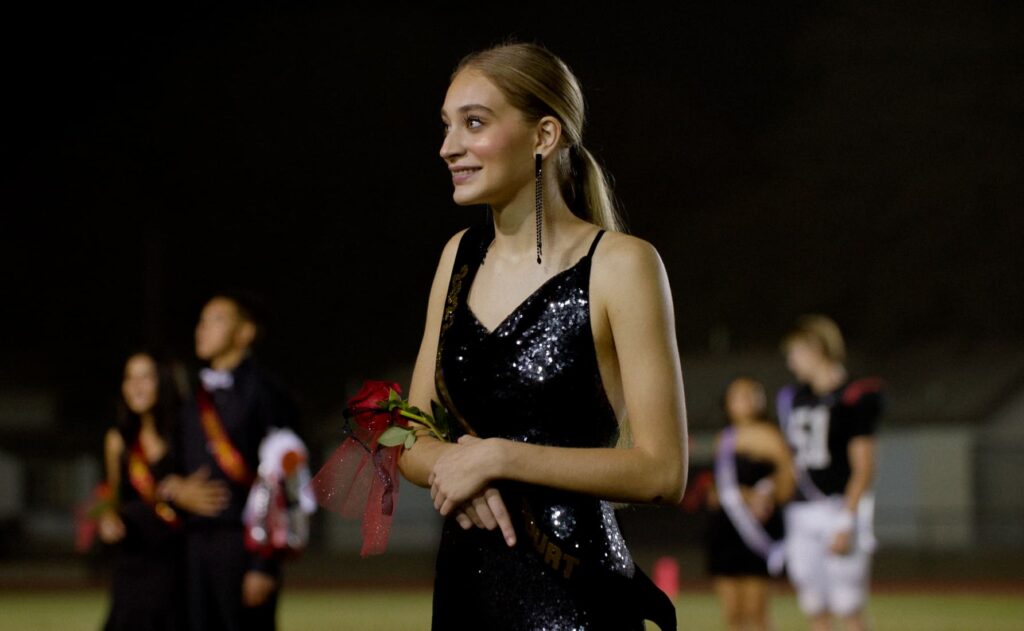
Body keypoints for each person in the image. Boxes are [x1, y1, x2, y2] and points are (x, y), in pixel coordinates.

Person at [397, 42, 688, 630]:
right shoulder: (457, 257)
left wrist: (498, 458)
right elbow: (410, 431)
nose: (448, 147)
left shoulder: (622, 265)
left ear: (544, 135)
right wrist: (456, 468)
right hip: (463, 589)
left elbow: (663, 472)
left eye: (474, 124)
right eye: (447, 126)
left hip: (576, 591)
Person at [176, 293, 300, 631]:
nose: (201, 328)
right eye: (200, 320)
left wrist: (264, 564)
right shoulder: (191, 396)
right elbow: (172, 465)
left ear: (245, 332)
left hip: (242, 546)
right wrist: (176, 489)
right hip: (192, 546)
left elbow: (286, 478)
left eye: (215, 319)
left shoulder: (267, 391)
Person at [98, 352, 228, 631]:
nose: (136, 386)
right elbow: (113, 501)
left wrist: (184, 491)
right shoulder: (117, 441)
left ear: (163, 383)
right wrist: (108, 521)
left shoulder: (186, 434)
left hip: (177, 559)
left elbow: (206, 483)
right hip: (133, 561)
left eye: (146, 377)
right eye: (130, 378)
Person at [776, 315, 883, 631]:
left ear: (815, 348)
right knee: (815, 609)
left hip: (838, 507)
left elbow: (864, 467)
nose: (791, 361)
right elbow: (792, 460)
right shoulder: (794, 398)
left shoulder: (854, 396)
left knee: (848, 607)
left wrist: (848, 519)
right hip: (800, 512)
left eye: (795, 352)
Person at [706, 377, 794, 631]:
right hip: (725, 528)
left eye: (750, 393)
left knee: (756, 613)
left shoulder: (771, 436)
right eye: (737, 395)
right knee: (733, 614)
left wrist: (763, 498)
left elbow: (786, 486)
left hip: (757, 529)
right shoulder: (724, 438)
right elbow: (718, 485)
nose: (744, 400)